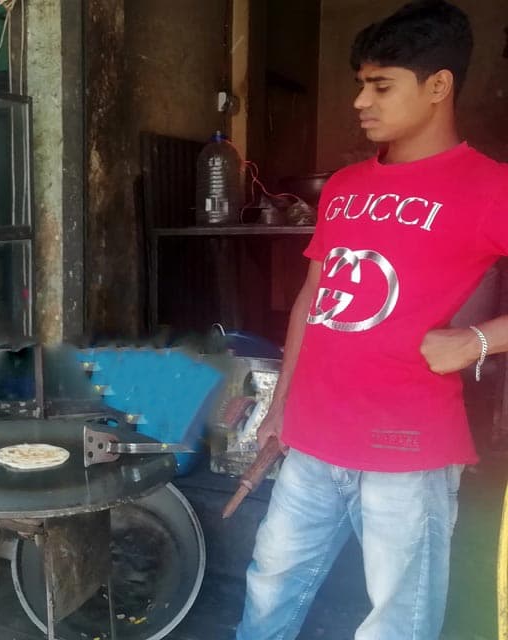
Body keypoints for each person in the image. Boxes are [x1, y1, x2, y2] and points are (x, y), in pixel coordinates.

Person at [236, 2, 508, 639]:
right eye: (361, 83)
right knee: (268, 583)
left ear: (438, 86)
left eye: (380, 85)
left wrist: (477, 341)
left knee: (396, 620)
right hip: (315, 434)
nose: (361, 101)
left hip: (406, 450)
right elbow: (313, 296)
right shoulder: (346, 185)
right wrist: (282, 403)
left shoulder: (489, 186)